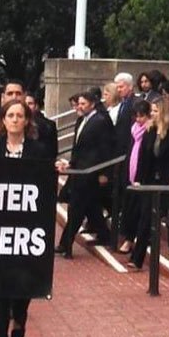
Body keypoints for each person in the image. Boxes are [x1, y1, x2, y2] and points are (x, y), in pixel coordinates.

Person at [0, 99, 49, 337]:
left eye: (20, 115)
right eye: (10, 115)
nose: (14, 120)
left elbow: (46, 179)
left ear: (27, 121)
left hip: (27, 227)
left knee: (22, 281)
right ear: (2, 120)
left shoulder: (38, 150)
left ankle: (19, 316)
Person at [130, 99, 169, 266]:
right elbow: (144, 157)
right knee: (145, 218)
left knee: (167, 214)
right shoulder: (151, 129)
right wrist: (138, 179)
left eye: (155, 111)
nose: (152, 114)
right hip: (151, 179)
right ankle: (137, 258)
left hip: (168, 179)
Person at [58, 91, 114, 256]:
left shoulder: (101, 121)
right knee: (91, 207)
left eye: (83, 104)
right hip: (79, 170)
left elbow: (106, 149)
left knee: (76, 208)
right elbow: (78, 146)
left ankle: (65, 244)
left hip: (91, 171)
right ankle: (105, 235)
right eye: (78, 104)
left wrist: (104, 172)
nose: (79, 107)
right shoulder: (81, 120)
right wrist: (71, 163)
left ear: (92, 104)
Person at [116, 101, 154, 257]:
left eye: (142, 116)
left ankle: (135, 239)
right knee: (129, 209)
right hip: (130, 173)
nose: (139, 120)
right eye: (137, 116)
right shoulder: (133, 130)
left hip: (144, 176)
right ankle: (129, 238)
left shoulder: (151, 131)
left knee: (140, 211)